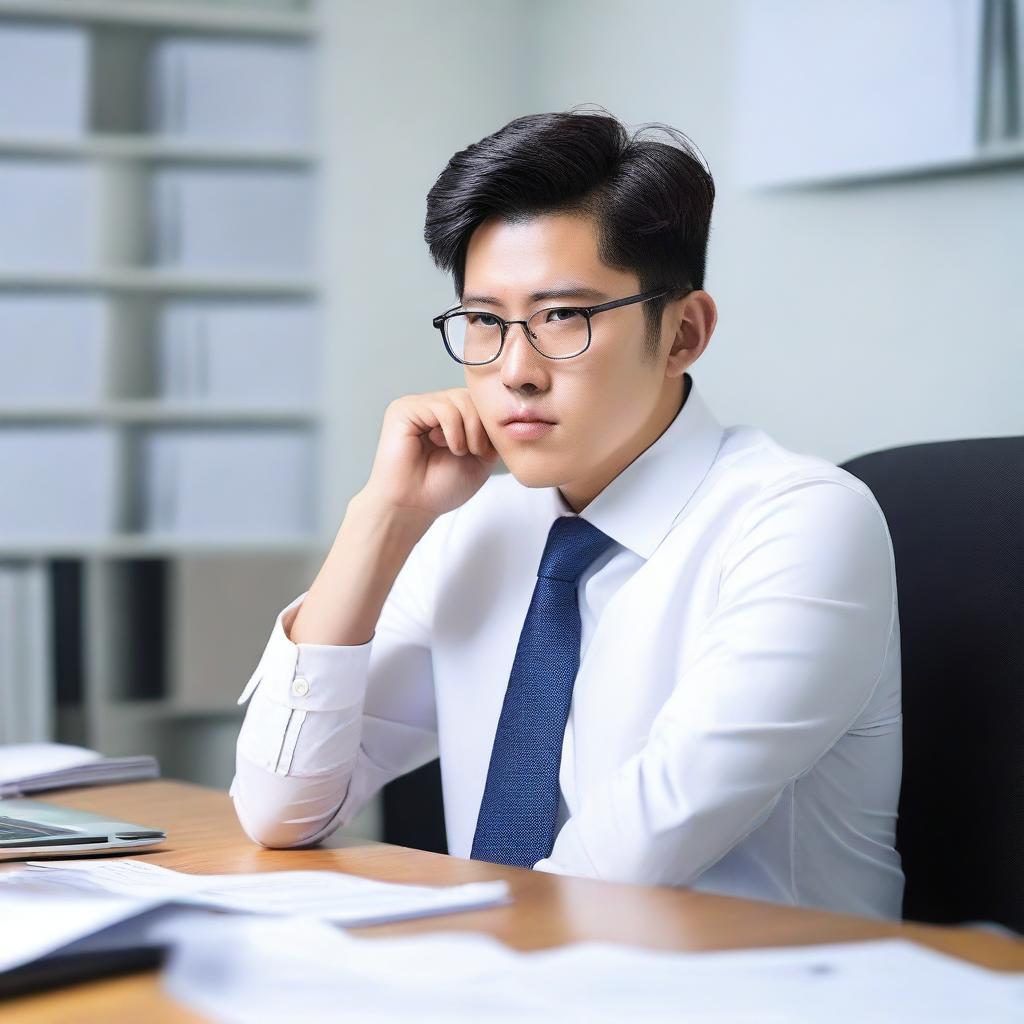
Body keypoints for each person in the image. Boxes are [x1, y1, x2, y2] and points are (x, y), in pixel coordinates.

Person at [230, 107, 904, 919]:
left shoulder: (801, 524)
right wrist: (384, 516)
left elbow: (617, 865)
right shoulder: (477, 524)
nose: (515, 370)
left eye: (564, 318)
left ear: (684, 333)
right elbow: (281, 808)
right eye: (483, 321)